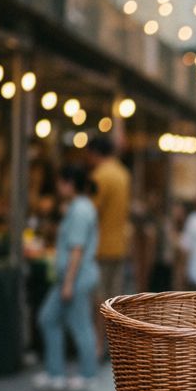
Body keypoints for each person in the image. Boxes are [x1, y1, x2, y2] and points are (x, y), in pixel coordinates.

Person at [33, 165, 99, 391]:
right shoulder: (79, 207)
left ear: (69, 183)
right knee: (50, 318)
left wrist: (69, 283)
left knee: (78, 324)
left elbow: (77, 250)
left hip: (74, 279)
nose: (59, 187)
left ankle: (86, 373)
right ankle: (56, 371)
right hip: (71, 278)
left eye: (61, 182)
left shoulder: (80, 210)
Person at [87, 134, 131, 356]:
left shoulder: (99, 176)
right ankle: (114, 345)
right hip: (120, 244)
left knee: (98, 300)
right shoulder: (122, 173)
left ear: (95, 153)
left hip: (100, 246)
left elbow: (91, 212)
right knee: (114, 300)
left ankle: (97, 346)